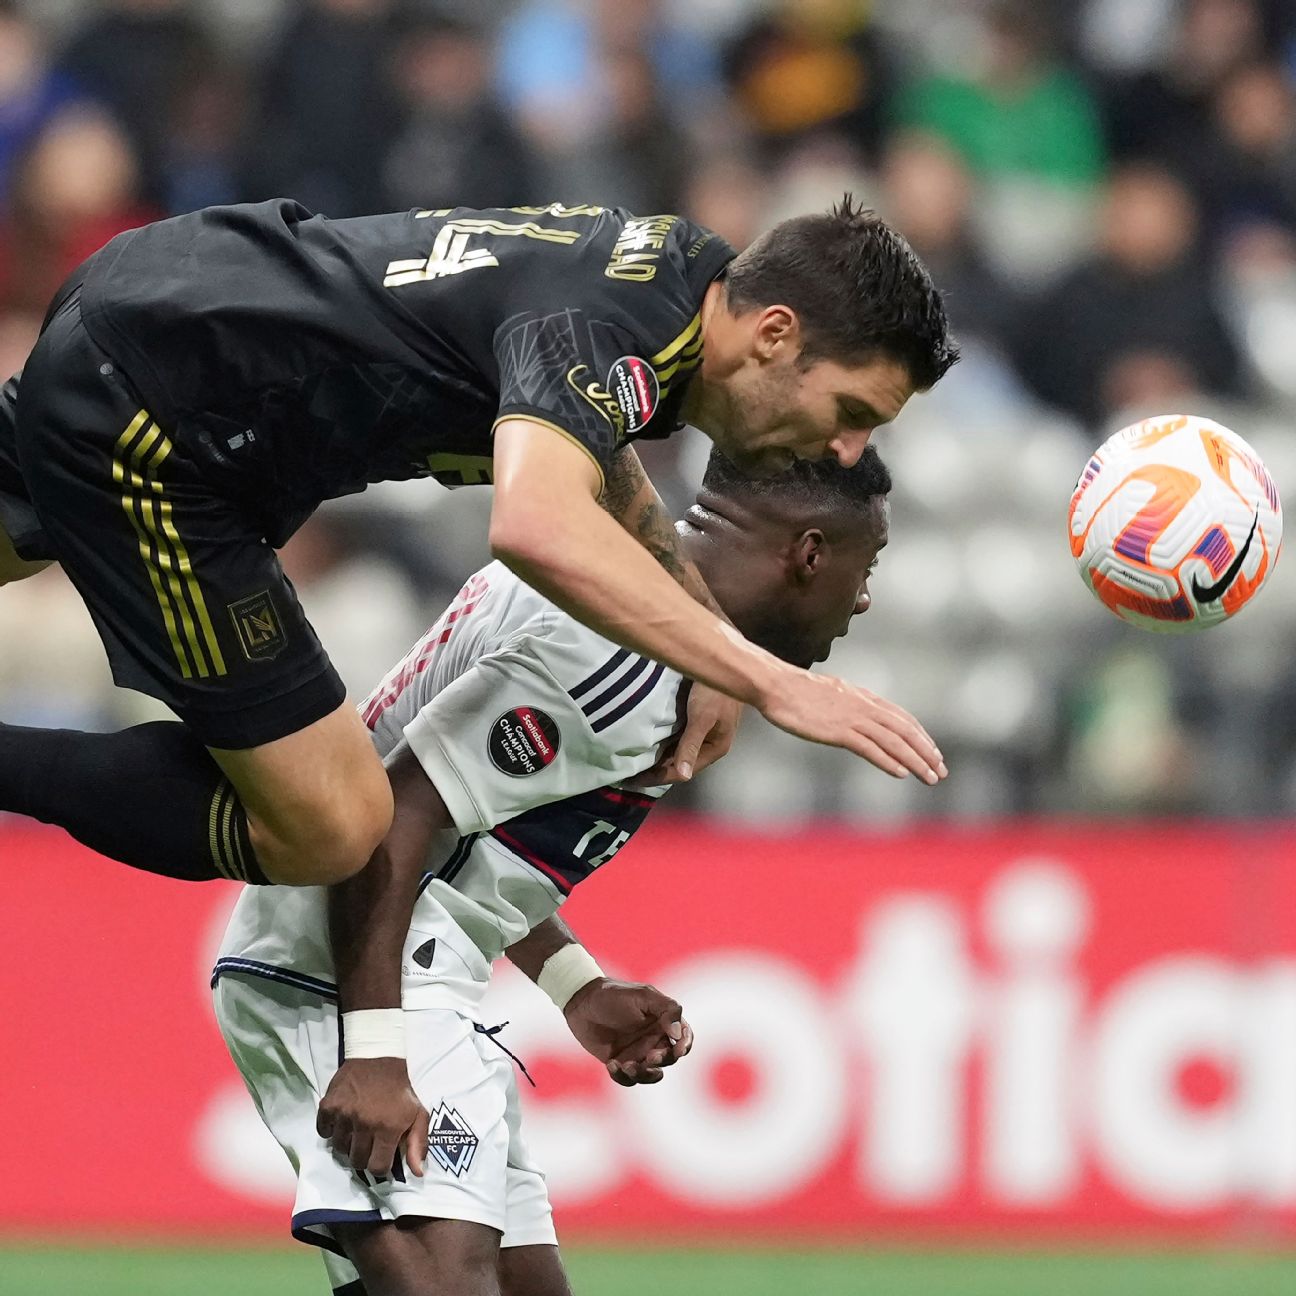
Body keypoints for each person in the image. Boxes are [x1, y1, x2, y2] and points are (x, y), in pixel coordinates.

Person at [0, 196, 954, 891]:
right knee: (332, 825)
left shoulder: (678, 271)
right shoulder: (612, 324)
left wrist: (707, 643)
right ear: (777, 335)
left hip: (177, 302)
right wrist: (768, 677)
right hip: (162, 418)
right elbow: (537, 521)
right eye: (853, 411)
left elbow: (595, 454)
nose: (848, 450)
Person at [212, 445, 894, 1296]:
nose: (864, 598)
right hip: (344, 976)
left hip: (377, 962)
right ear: (811, 551)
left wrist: (576, 985)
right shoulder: (624, 663)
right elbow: (393, 824)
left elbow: (466, 837)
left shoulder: (600, 570)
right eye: (868, 566)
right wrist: (377, 1052)